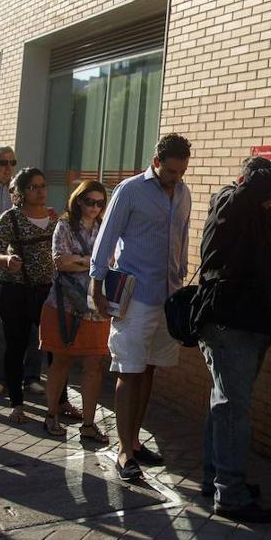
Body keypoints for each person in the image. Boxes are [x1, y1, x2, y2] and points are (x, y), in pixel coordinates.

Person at [197, 155, 271, 523]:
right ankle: (231, 495)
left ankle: (219, 479)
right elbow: (254, 186)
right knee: (232, 410)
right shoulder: (230, 201)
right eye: (270, 187)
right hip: (232, 327)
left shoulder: (253, 212)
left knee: (224, 406)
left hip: (249, 328)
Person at [90, 134, 193, 480]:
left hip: (167, 296)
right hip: (135, 296)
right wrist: (96, 283)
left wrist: (181, 278)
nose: (176, 177)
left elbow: (183, 236)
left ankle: (134, 441)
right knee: (128, 369)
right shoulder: (130, 190)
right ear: (157, 161)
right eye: (172, 171)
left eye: (182, 172)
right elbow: (106, 236)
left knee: (149, 368)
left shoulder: (183, 193)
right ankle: (122, 452)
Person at [41, 180, 111, 442]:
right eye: (90, 201)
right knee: (61, 360)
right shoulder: (65, 225)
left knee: (94, 365)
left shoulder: (105, 227)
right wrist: (93, 262)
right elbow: (60, 261)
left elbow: (112, 260)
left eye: (100, 203)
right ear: (79, 200)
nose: (95, 207)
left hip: (97, 306)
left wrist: (80, 260)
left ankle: (89, 423)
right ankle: (51, 414)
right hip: (65, 305)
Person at [0, 167, 57, 423]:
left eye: (43, 186)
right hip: (14, 290)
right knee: (15, 345)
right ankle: (17, 403)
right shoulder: (10, 218)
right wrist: (6, 259)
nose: (40, 191)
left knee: (52, 345)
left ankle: (58, 400)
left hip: (46, 290)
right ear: (21, 191)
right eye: (34, 187)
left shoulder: (54, 219)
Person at [0, 145, 43, 394]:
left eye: (12, 162)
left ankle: (30, 376)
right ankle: (0, 376)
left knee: (32, 328)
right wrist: (1, 263)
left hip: (34, 277)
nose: (8, 167)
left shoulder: (44, 213)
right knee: (3, 325)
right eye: (3, 162)